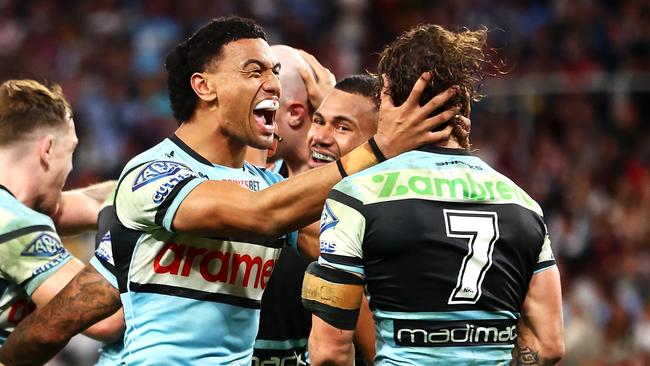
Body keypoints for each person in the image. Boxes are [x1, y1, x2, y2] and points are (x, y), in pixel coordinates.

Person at [0, 16, 461, 365]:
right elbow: (260, 214)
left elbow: (340, 246)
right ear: (203, 86)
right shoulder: (153, 173)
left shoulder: (268, 185)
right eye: (254, 70)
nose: (273, 84)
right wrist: (379, 148)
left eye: (276, 71)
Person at [303, 24, 565, 365]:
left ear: (387, 103)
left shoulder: (357, 196)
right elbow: (549, 346)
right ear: (465, 106)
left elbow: (329, 353)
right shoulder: (523, 204)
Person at [0, 79, 123, 349]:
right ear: (48, 150)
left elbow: (94, 201)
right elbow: (106, 319)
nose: (70, 169)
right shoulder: (18, 225)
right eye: (70, 152)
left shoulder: (11, 213)